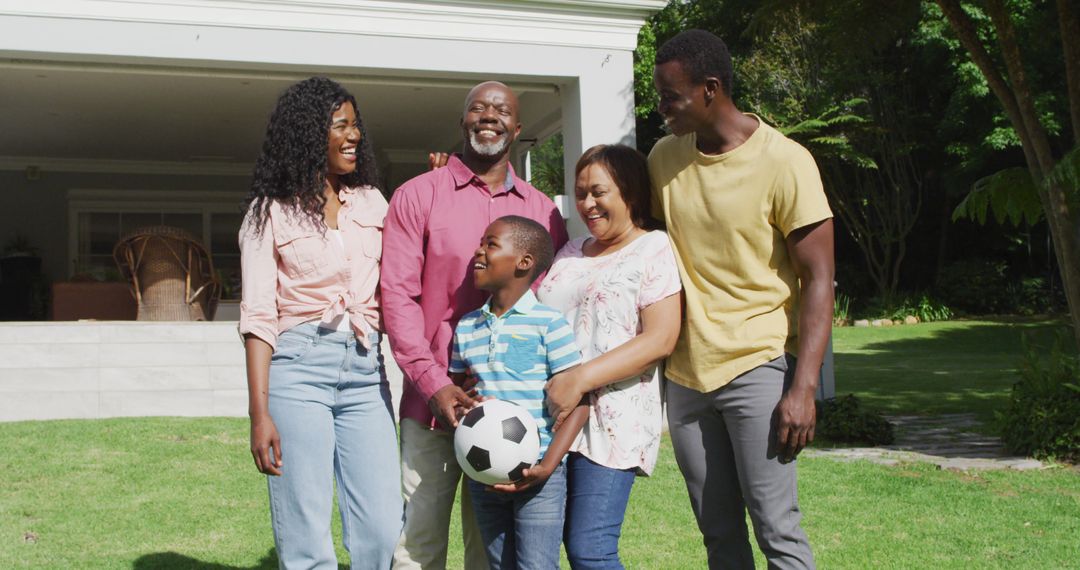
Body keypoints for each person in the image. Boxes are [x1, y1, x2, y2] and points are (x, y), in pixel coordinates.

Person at [648, 30, 835, 570]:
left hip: (758, 364)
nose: (661, 108)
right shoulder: (664, 158)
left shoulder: (785, 162)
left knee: (777, 529)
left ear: (710, 89)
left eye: (671, 96)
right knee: (718, 536)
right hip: (686, 376)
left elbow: (819, 276)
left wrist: (804, 388)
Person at [382, 81, 568, 569]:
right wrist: (434, 384)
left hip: (513, 413)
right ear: (463, 120)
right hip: (433, 405)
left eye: (502, 110)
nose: (490, 116)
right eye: (478, 107)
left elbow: (551, 303)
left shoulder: (543, 211)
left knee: (488, 552)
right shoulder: (418, 195)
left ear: (518, 128)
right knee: (419, 542)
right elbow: (397, 297)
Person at [238, 77, 402, 569]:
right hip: (297, 368)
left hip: (364, 370)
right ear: (309, 134)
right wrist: (259, 413)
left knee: (381, 525)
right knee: (306, 529)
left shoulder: (373, 202)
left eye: (357, 125)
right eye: (341, 125)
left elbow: (408, 266)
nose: (355, 135)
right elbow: (259, 319)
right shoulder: (269, 214)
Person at [536, 144, 683, 569]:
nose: (587, 204)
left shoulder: (653, 249)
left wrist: (580, 379)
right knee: (547, 542)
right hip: (554, 418)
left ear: (630, 193)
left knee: (590, 547)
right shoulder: (569, 251)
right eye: (580, 193)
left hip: (613, 421)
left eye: (598, 192)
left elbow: (660, 338)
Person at [450, 215, 587, 570]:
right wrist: (467, 407)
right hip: (484, 476)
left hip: (539, 476)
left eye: (491, 244)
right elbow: (458, 392)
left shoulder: (548, 323)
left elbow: (580, 403)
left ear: (524, 262)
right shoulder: (467, 326)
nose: (478, 251)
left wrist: (547, 466)